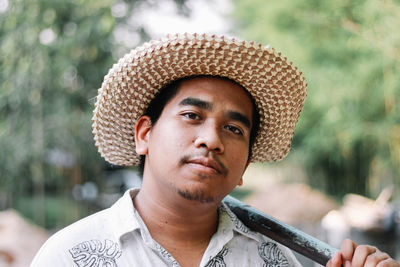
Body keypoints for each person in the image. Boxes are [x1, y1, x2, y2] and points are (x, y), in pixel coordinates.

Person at [31, 33, 399, 267]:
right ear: (145, 134)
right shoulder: (69, 256)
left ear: (244, 169)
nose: (212, 140)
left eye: (234, 128)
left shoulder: (274, 260)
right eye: (192, 115)